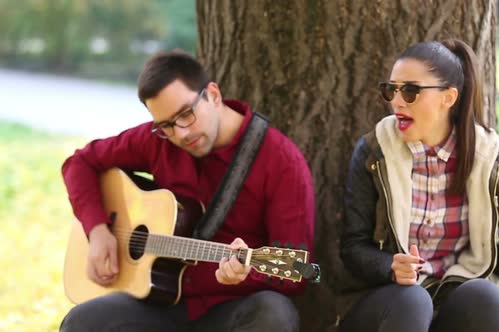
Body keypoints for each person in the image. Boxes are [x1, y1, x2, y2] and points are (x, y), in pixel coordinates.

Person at [60, 49, 315, 332]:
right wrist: (98, 230)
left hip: (231, 309)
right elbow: (79, 163)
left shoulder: (282, 161)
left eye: (186, 114)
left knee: (274, 314)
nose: (180, 133)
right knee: (82, 322)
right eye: (166, 125)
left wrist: (243, 273)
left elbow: (298, 272)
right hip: (159, 305)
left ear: (214, 95)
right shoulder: (158, 141)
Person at [339, 39, 499, 332]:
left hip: (452, 304)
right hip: (388, 305)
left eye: (410, 91)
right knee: (413, 301)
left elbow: (495, 241)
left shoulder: (485, 153)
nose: (396, 101)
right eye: (390, 89)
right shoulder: (376, 151)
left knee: (484, 294)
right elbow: (352, 247)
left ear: (448, 98)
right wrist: (389, 266)